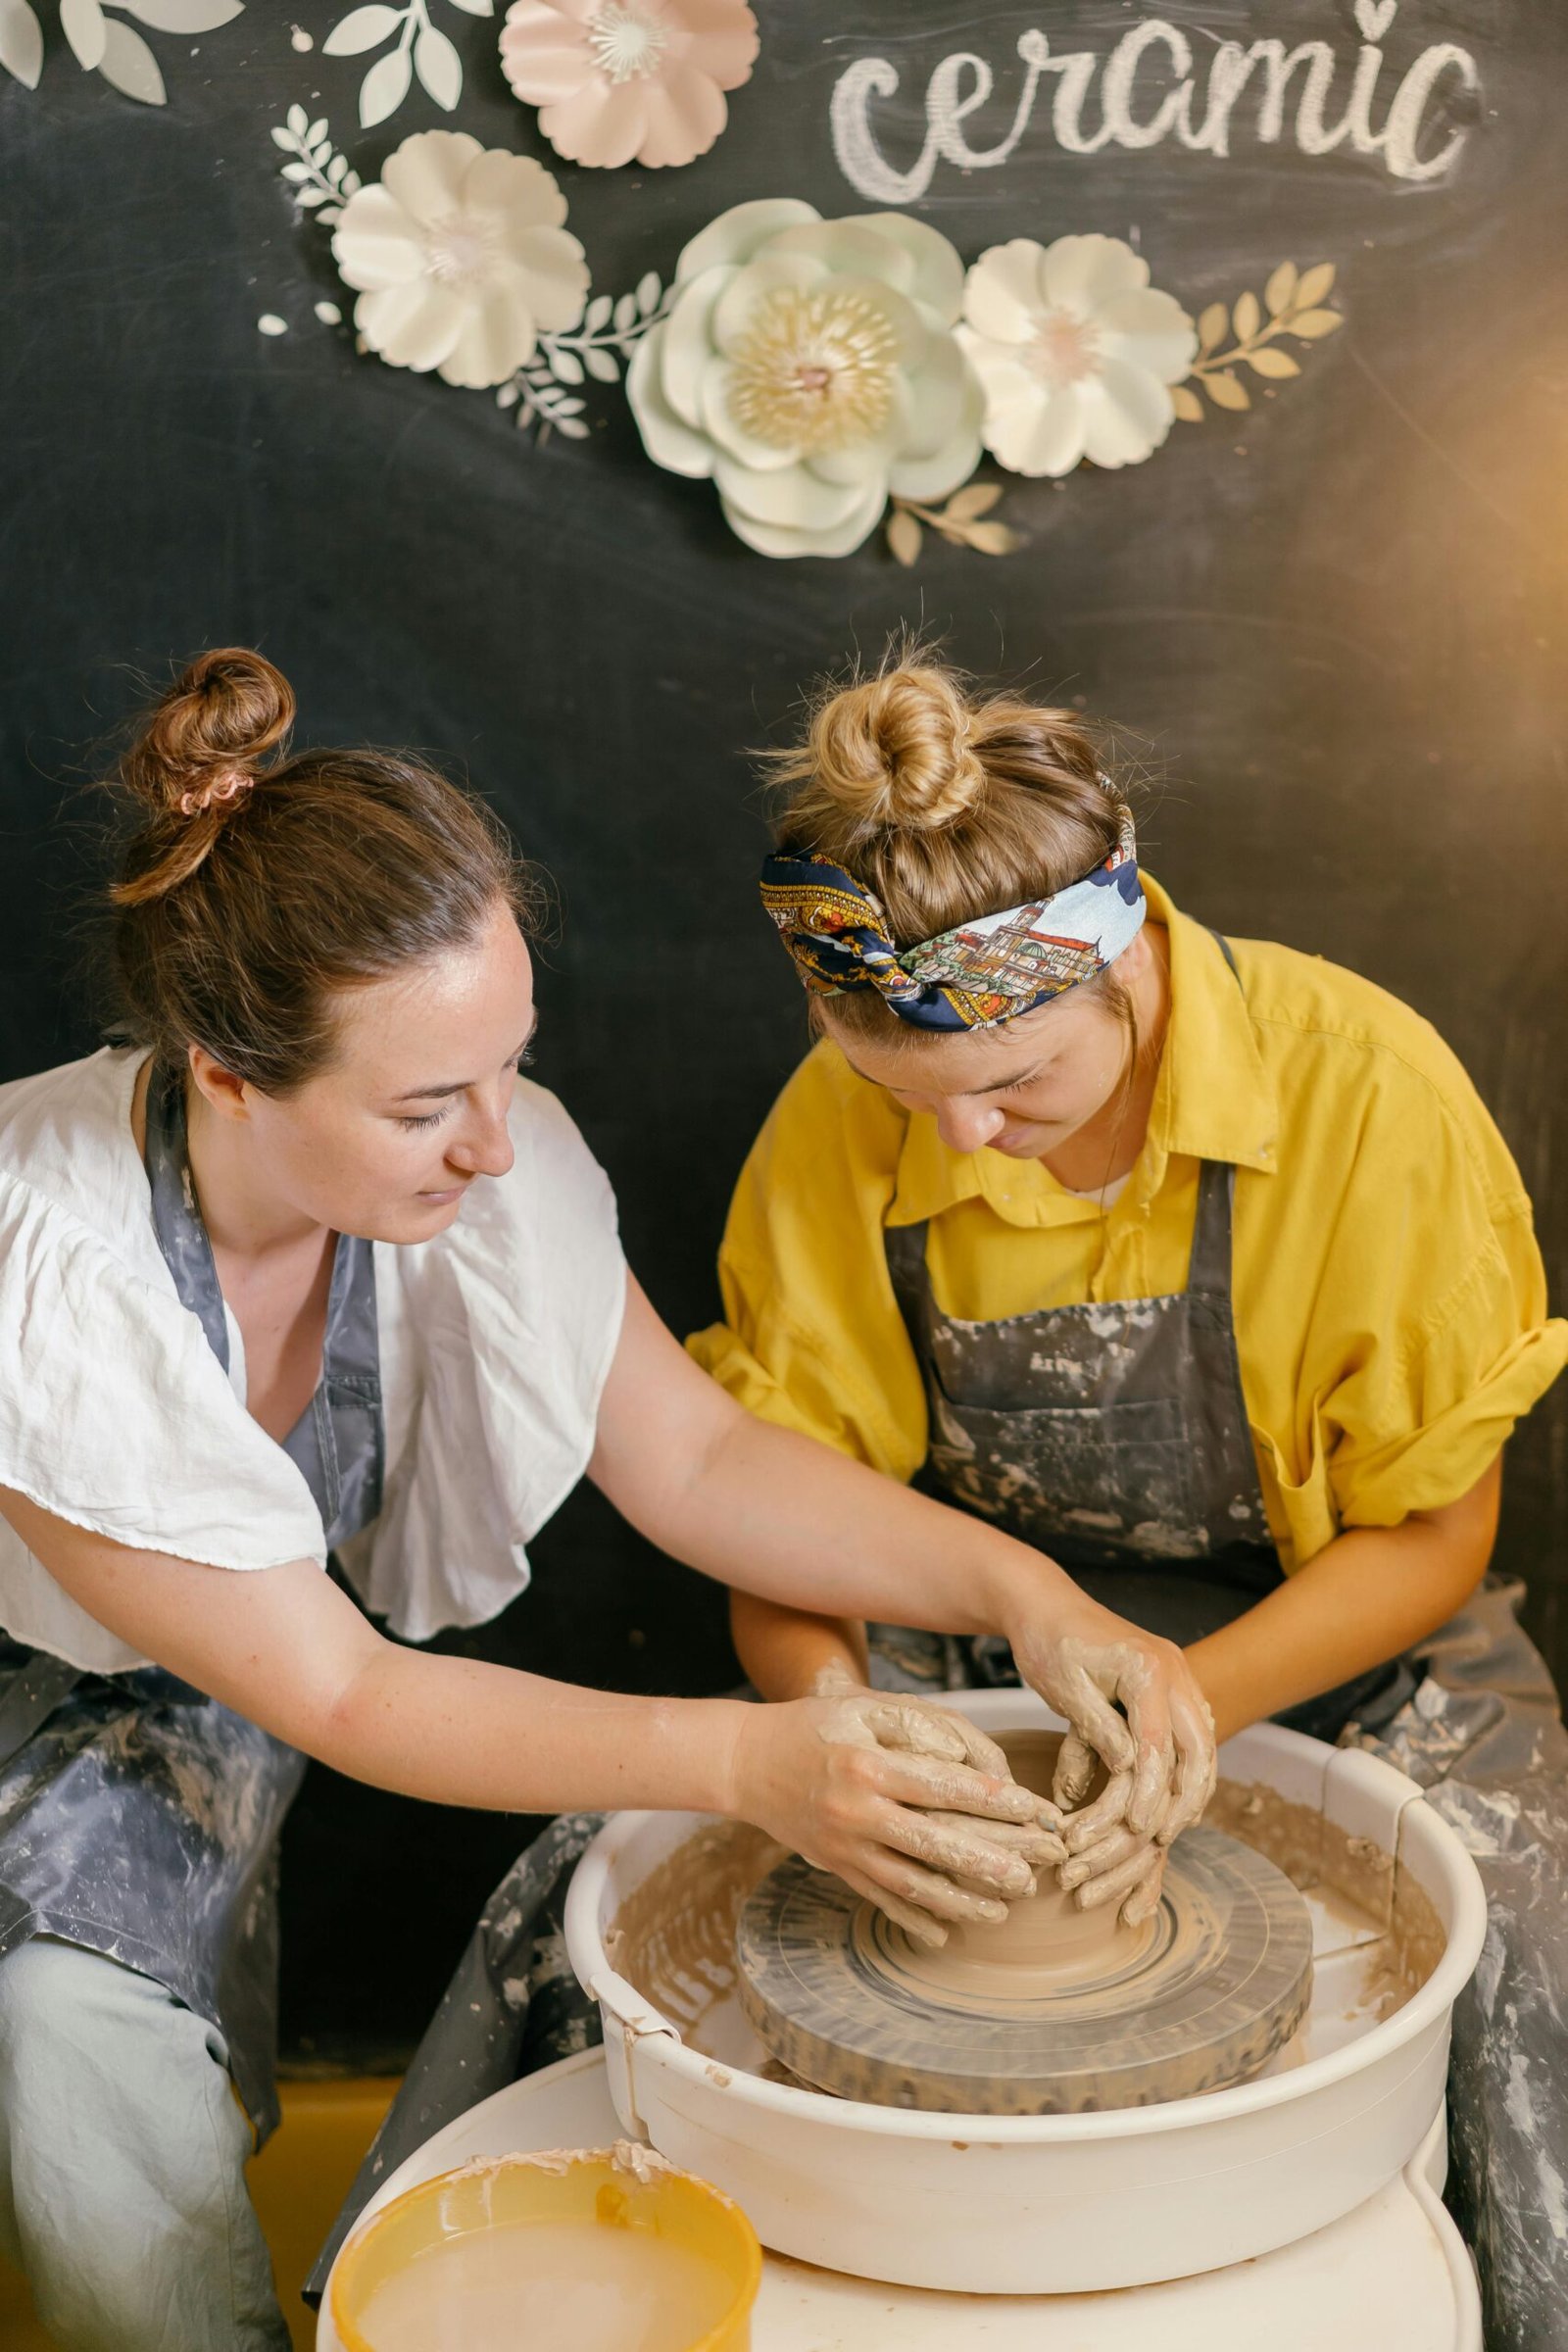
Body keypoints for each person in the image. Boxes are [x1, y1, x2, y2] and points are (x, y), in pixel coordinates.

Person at [0, 649, 1209, 2352]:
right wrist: (750, 1764)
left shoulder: (480, 1166)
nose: (497, 1145)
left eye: (510, 1066)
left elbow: (700, 1464)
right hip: (53, 1692)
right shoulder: (50, 1275)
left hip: (224, 1675)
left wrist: (1030, 1597)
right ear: (222, 1071)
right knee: (71, 2032)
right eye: (430, 1103)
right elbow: (343, 1690)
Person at [689, 653, 1568, 2351]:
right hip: (964, 1648)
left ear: (1127, 969)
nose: (964, 1136)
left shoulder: (1365, 1091)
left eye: (1020, 1087)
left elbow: (1445, 1532)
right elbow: (771, 1518)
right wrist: (837, 1740)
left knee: (1529, 1954)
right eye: (905, 1098)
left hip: (1353, 1641)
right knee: (600, 1913)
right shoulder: (853, 1120)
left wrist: (1192, 1698)